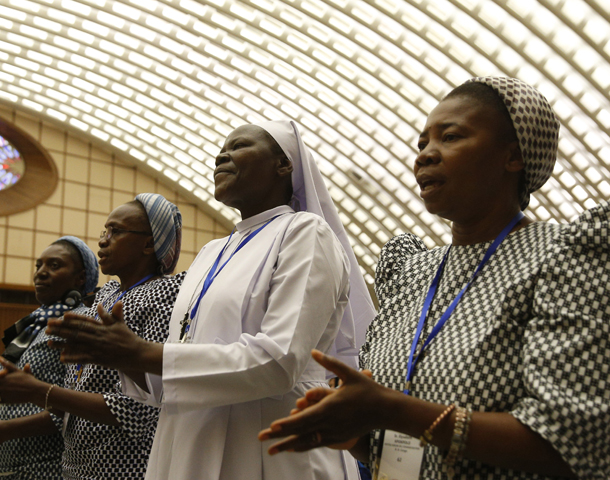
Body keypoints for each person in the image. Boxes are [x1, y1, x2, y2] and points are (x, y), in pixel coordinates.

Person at [259, 77, 610, 479]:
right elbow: (399, 444)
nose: (425, 155)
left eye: (451, 137)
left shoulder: (565, 258)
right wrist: (350, 430)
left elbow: (572, 441)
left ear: (513, 156)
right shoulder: (414, 272)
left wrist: (393, 409)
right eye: (422, 143)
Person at [47, 120, 376, 479]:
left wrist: (143, 352)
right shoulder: (210, 252)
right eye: (222, 149)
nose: (222, 155)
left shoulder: (305, 233)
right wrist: (122, 356)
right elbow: (170, 380)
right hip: (190, 441)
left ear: (284, 165)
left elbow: (280, 361)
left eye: (239, 146)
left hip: (270, 442)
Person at [0, 194, 186, 480]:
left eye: (116, 232)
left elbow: (141, 411)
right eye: (104, 231)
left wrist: (40, 392)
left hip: (123, 468)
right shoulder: (106, 296)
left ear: (149, 244)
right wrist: (25, 393)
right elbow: (76, 395)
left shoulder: (164, 296)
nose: (103, 240)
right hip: (75, 466)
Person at [0, 236, 98, 480]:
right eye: (38, 265)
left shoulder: (77, 322)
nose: (40, 273)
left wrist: (5, 429)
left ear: (80, 277)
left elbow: (76, 407)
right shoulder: (34, 324)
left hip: (46, 469)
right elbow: (27, 397)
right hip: (12, 469)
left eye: (54, 265)